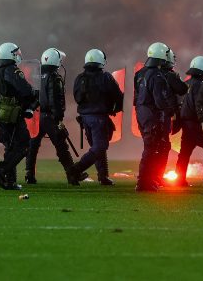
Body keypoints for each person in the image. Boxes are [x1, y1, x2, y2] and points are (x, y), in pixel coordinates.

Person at [23, 48, 80, 185]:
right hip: (50, 117)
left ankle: (29, 175)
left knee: (32, 147)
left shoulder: (37, 75)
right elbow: (55, 100)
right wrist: (58, 118)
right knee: (62, 147)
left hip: (38, 116)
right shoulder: (54, 77)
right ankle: (72, 176)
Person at [0, 42, 38, 191]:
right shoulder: (11, 70)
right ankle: (1, 170)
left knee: (10, 146)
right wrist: (34, 95)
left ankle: (10, 181)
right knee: (23, 145)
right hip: (12, 112)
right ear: (10, 55)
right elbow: (25, 90)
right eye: (16, 53)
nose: (18, 56)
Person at [69, 48, 123, 186]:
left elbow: (76, 97)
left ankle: (103, 176)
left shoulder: (80, 78)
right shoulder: (105, 77)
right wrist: (115, 108)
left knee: (98, 147)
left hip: (85, 118)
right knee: (100, 146)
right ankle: (75, 170)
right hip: (99, 117)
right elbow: (118, 96)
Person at [134, 42, 173, 192]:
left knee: (149, 147)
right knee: (151, 149)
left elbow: (136, 97)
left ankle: (146, 181)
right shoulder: (157, 75)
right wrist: (169, 111)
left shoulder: (140, 73)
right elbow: (160, 100)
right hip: (152, 115)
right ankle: (144, 182)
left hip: (141, 113)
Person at [173, 56, 203, 187]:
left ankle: (179, 179)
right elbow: (200, 105)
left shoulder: (185, 84)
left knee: (184, 153)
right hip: (197, 123)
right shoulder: (201, 86)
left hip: (185, 124)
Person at [158, 48, 188, 186]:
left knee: (152, 146)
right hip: (164, 115)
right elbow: (182, 89)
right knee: (163, 146)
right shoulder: (170, 76)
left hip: (148, 115)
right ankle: (156, 176)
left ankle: (150, 175)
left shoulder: (144, 74)